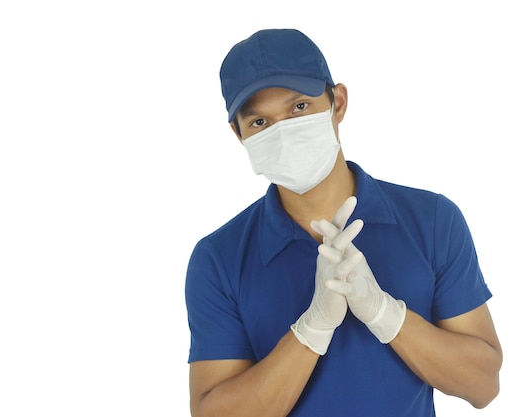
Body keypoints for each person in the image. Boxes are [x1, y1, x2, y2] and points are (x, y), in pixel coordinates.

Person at [184, 28, 502, 417]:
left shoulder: (433, 221)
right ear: (239, 134)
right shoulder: (218, 259)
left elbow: (483, 385)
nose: (283, 131)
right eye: (260, 123)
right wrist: (312, 328)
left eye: (299, 107)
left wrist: (385, 313)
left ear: (338, 103)